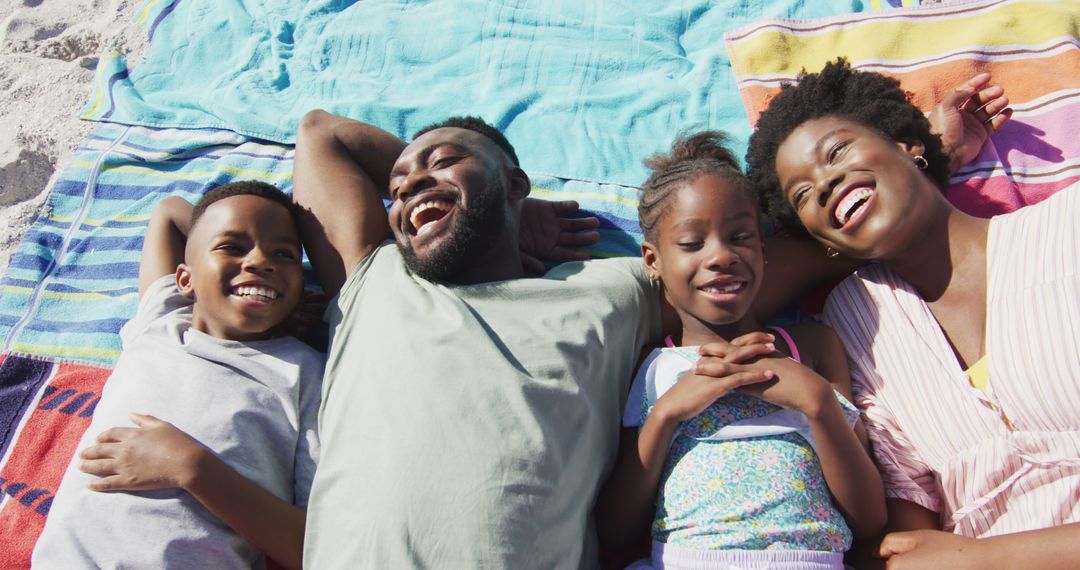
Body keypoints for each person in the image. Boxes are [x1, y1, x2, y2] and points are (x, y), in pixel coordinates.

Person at [745, 59, 1080, 569]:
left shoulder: (1066, 228)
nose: (828, 182)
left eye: (838, 152)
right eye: (805, 195)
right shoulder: (856, 321)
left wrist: (983, 559)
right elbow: (908, 539)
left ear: (908, 144)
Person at [291, 111, 663, 568]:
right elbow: (319, 133)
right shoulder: (374, 278)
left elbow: (739, 264)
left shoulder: (611, 290)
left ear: (516, 183)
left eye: (445, 158)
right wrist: (471, 195)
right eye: (396, 187)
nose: (407, 186)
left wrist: (496, 203)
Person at [595, 132, 885, 570]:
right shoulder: (651, 366)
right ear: (653, 261)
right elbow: (614, 532)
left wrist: (818, 402)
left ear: (763, 249)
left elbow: (869, 520)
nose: (721, 256)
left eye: (740, 237)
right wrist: (666, 415)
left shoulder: (809, 347)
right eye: (692, 244)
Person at [31, 181, 324, 570]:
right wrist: (213, 231)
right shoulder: (161, 321)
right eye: (233, 247)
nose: (260, 261)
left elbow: (315, 548)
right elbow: (169, 211)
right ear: (184, 279)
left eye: (284, 254)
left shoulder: (305, 372)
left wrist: (192, 467)